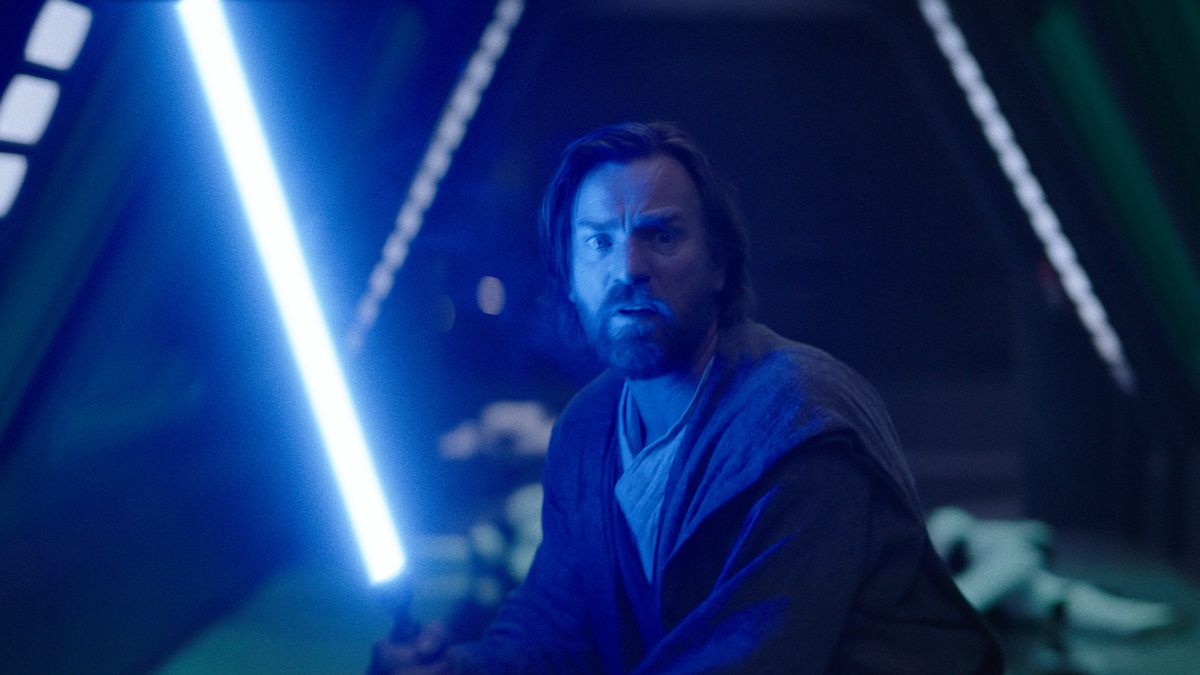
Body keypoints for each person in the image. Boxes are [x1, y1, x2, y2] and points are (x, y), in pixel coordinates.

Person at [371, 121, 1004, 673]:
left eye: (661, 236)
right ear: (569, 277)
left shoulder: (798, 420)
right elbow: (557, 621)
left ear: (719, 265)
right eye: (598, 242)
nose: (628, 269)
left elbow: (748, 661)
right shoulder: (588, 428)